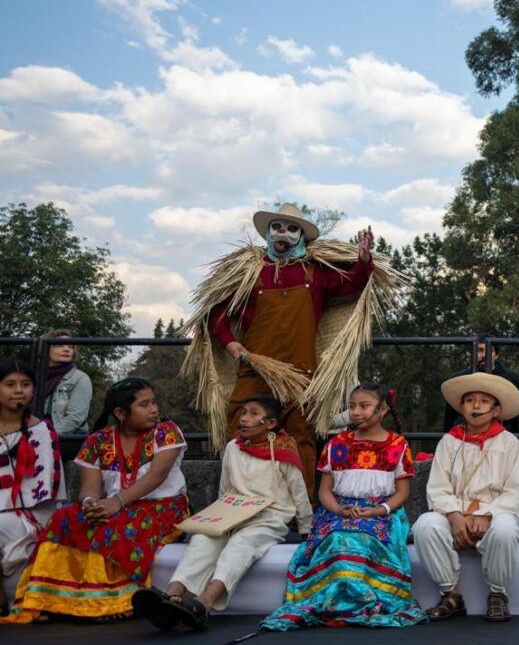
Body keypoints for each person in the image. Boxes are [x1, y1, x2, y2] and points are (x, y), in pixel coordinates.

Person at [183, 203, 401, 493]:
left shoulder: (316, 272)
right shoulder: (249, 272)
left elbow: (351, 285)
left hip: (301, 374)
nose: (282, 234)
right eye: (277, 228)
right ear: (269, 233)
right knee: (240, 431)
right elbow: (216, 312)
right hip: (254, 371)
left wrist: (363, 260)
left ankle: (303, 511)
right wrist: (231, 343)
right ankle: (239, 503)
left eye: (290, 228)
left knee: (301, 437)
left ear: (301, 236)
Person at [2, 378, 189, 623]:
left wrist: (116, 503)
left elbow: (156, 476)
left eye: (154, 402)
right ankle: (54, 601)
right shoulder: (97, 441)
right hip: (114, 505)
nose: (154, 409)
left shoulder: (166, 431)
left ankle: (114, 603)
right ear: (121, 413)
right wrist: (91, 504)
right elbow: (89, 488)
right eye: (145, 404)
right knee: (65, 519)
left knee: (121, 525)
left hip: (163, 507)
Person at [133, 395, 312, 630]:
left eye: (254, 414)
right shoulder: (233, 447)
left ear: (270, 424)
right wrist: (218, 517)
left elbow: (298, 491)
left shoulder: (283, 449)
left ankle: (203, 604)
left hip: (269, 517)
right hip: (233, 512)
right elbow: (225, 488)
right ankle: (171, 598)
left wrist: (306, 529)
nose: (245, 418)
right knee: (202, 540)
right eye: (244, 412)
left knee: (241, 545)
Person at [261, 383, 427, 630]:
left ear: (381, 411)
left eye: (364, 406)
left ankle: (361, 601)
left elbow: (402, 493)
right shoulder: (336, 444)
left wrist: (378, 510)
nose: (356, 412)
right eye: (352, 407)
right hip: (339, 509)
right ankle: (337, 603)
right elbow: (324, 491)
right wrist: (338, 510)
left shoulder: (397, 445)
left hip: (382, 511)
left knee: (365, 537)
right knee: (338, 538)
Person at [414, 373, 519, 623]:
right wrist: (454, 516)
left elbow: (513, 491)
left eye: (484, 401)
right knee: (425, 525)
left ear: (496, 410)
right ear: (462, 407)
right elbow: (438, 488)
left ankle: (498, 594)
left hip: (494, 513)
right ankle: (451, 595)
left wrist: (486, 515)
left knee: (506, 528)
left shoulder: (509, 443)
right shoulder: (448, 442)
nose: (476, 406)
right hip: (454, 513)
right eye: (470, 400)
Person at [0, 359, 66, 616]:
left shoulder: (42, 431)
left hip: (32, 509)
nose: (19, 390)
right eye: (10, 384)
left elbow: (43, 488)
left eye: (25, 384)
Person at [443, 337, 519, 432]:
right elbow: (450, 414)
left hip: (501, 435)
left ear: (496, 355)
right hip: (465, 434)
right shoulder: (459, 379)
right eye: (480, 350)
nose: (484, 355)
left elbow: (516, 415)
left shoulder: (512, 378)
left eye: (489, 351)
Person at [34, 330, 93, 435]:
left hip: (68, 438)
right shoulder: (34, 376)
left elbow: (75, 418)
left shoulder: (80, 378)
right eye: (59, 345)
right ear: (45, 349)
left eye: (70, 347)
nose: (66, 349)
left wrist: (45, 436)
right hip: (34, 436)